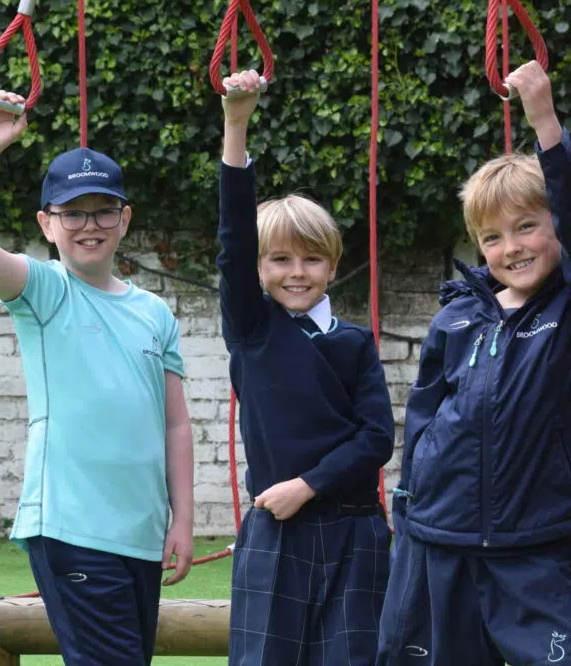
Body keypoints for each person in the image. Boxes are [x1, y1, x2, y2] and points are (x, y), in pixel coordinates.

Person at [0, 91, 194, 666]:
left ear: (124, 218)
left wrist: (183, 518)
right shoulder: (45, 290)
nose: (90, 224)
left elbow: (176, 425)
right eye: (73, 212)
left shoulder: (155, 312)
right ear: (47, 224)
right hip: (71, 528)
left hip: (142, 533)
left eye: (104, 209)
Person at [377, 60, 571, 665]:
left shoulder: (565, 307)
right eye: (492, 237)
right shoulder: (457, 317)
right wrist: (411, 502)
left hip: (537, 540)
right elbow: (427, 416)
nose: (510, 247)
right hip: (442, 535)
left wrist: (544, 122)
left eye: (527, 226)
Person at [218, 70, 394, 665]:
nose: (297, 272)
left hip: (356, 531)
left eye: (312, 259)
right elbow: (233, 238)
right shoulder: (252, 327)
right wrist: (235, 124)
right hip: (275, 533)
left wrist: (308, 485)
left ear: (333, 265)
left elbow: (376, 438)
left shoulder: (355, 343)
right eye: (280, 259)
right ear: (260, 268)